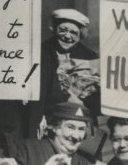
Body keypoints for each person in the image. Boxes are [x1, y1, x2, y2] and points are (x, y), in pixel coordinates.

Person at [26, 8, 101, 138]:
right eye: (63, 30)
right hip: (46, 120)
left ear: (80, 35)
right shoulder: (39, 52)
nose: (67, 36)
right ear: (54, 30)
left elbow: (97, 100)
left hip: (79, 120)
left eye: (73, 32)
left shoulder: (90, 56)